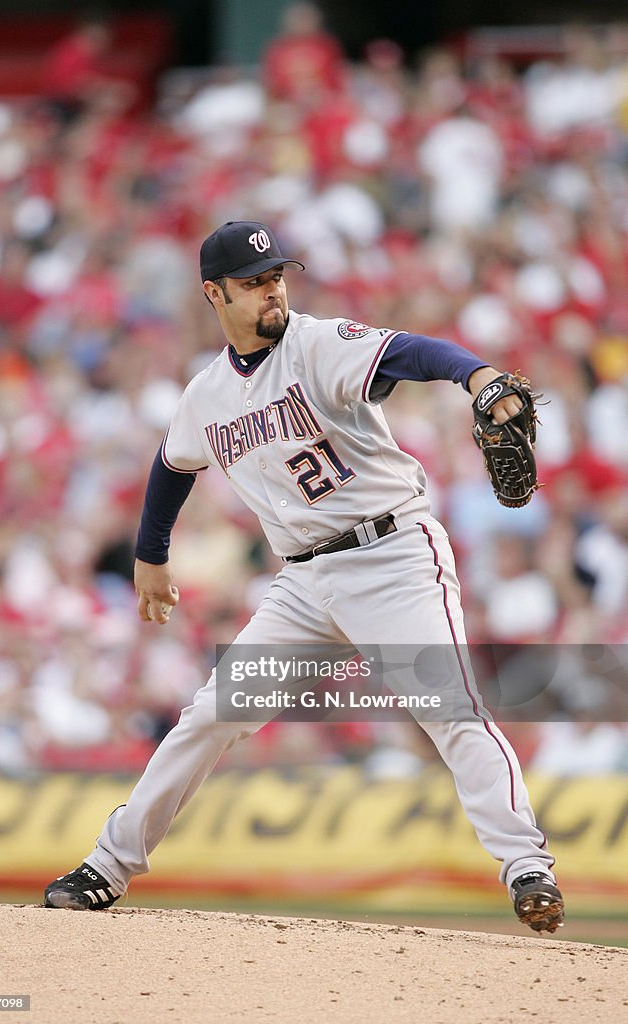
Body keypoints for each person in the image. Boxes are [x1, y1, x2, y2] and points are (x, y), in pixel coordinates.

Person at [44, 220, 565, 933]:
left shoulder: (316, 344)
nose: (271, 292)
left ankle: (525, 868)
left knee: (450, 708)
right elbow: (171, 466)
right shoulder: (206, 395)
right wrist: (150, 555)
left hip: (391, 559)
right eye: (254, 283)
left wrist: (475, 376)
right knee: (210, 715)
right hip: (303, 590)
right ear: (213, 294)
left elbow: (411, 353)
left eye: (275, 277)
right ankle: (107, 866)